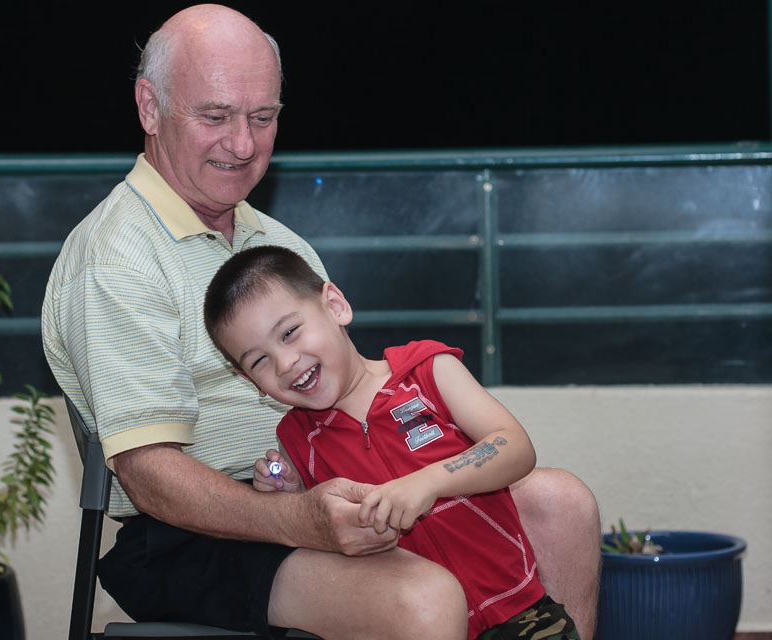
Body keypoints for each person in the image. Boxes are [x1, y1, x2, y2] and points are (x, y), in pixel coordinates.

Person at [41, 4, 599, 639]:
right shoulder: (115, 259)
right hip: (191, 539)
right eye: (215, 117)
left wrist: (399, 473)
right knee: (423, 599)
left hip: (326, 489)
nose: (243, 145)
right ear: (149, 107)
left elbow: (352, 389)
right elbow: (148, 476)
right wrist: (300, 519)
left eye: (262, 117)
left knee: (562, 506)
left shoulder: (278, 243)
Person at [203, 245, 580, 640]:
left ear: (335, 306)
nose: (285, 363)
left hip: (521, 614)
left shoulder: (428, 370)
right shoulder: (295, 439)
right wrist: (289, 496)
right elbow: (326, 533)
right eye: (259, 361)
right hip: (420, 624)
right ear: (250, 381)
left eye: (289, 333)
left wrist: (429, 482)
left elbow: (514, 446)